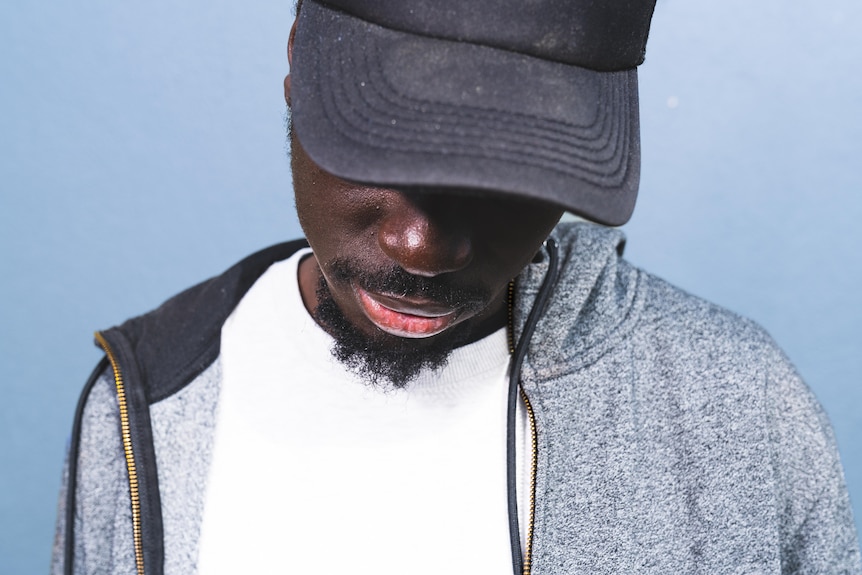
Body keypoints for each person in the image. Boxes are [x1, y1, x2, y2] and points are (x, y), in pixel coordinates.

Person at [53, 0, 861, 573]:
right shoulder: (148, 405)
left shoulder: (738, 406)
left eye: (498, 172)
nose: (423, 248)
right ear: (298, 61)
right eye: (382, 146)